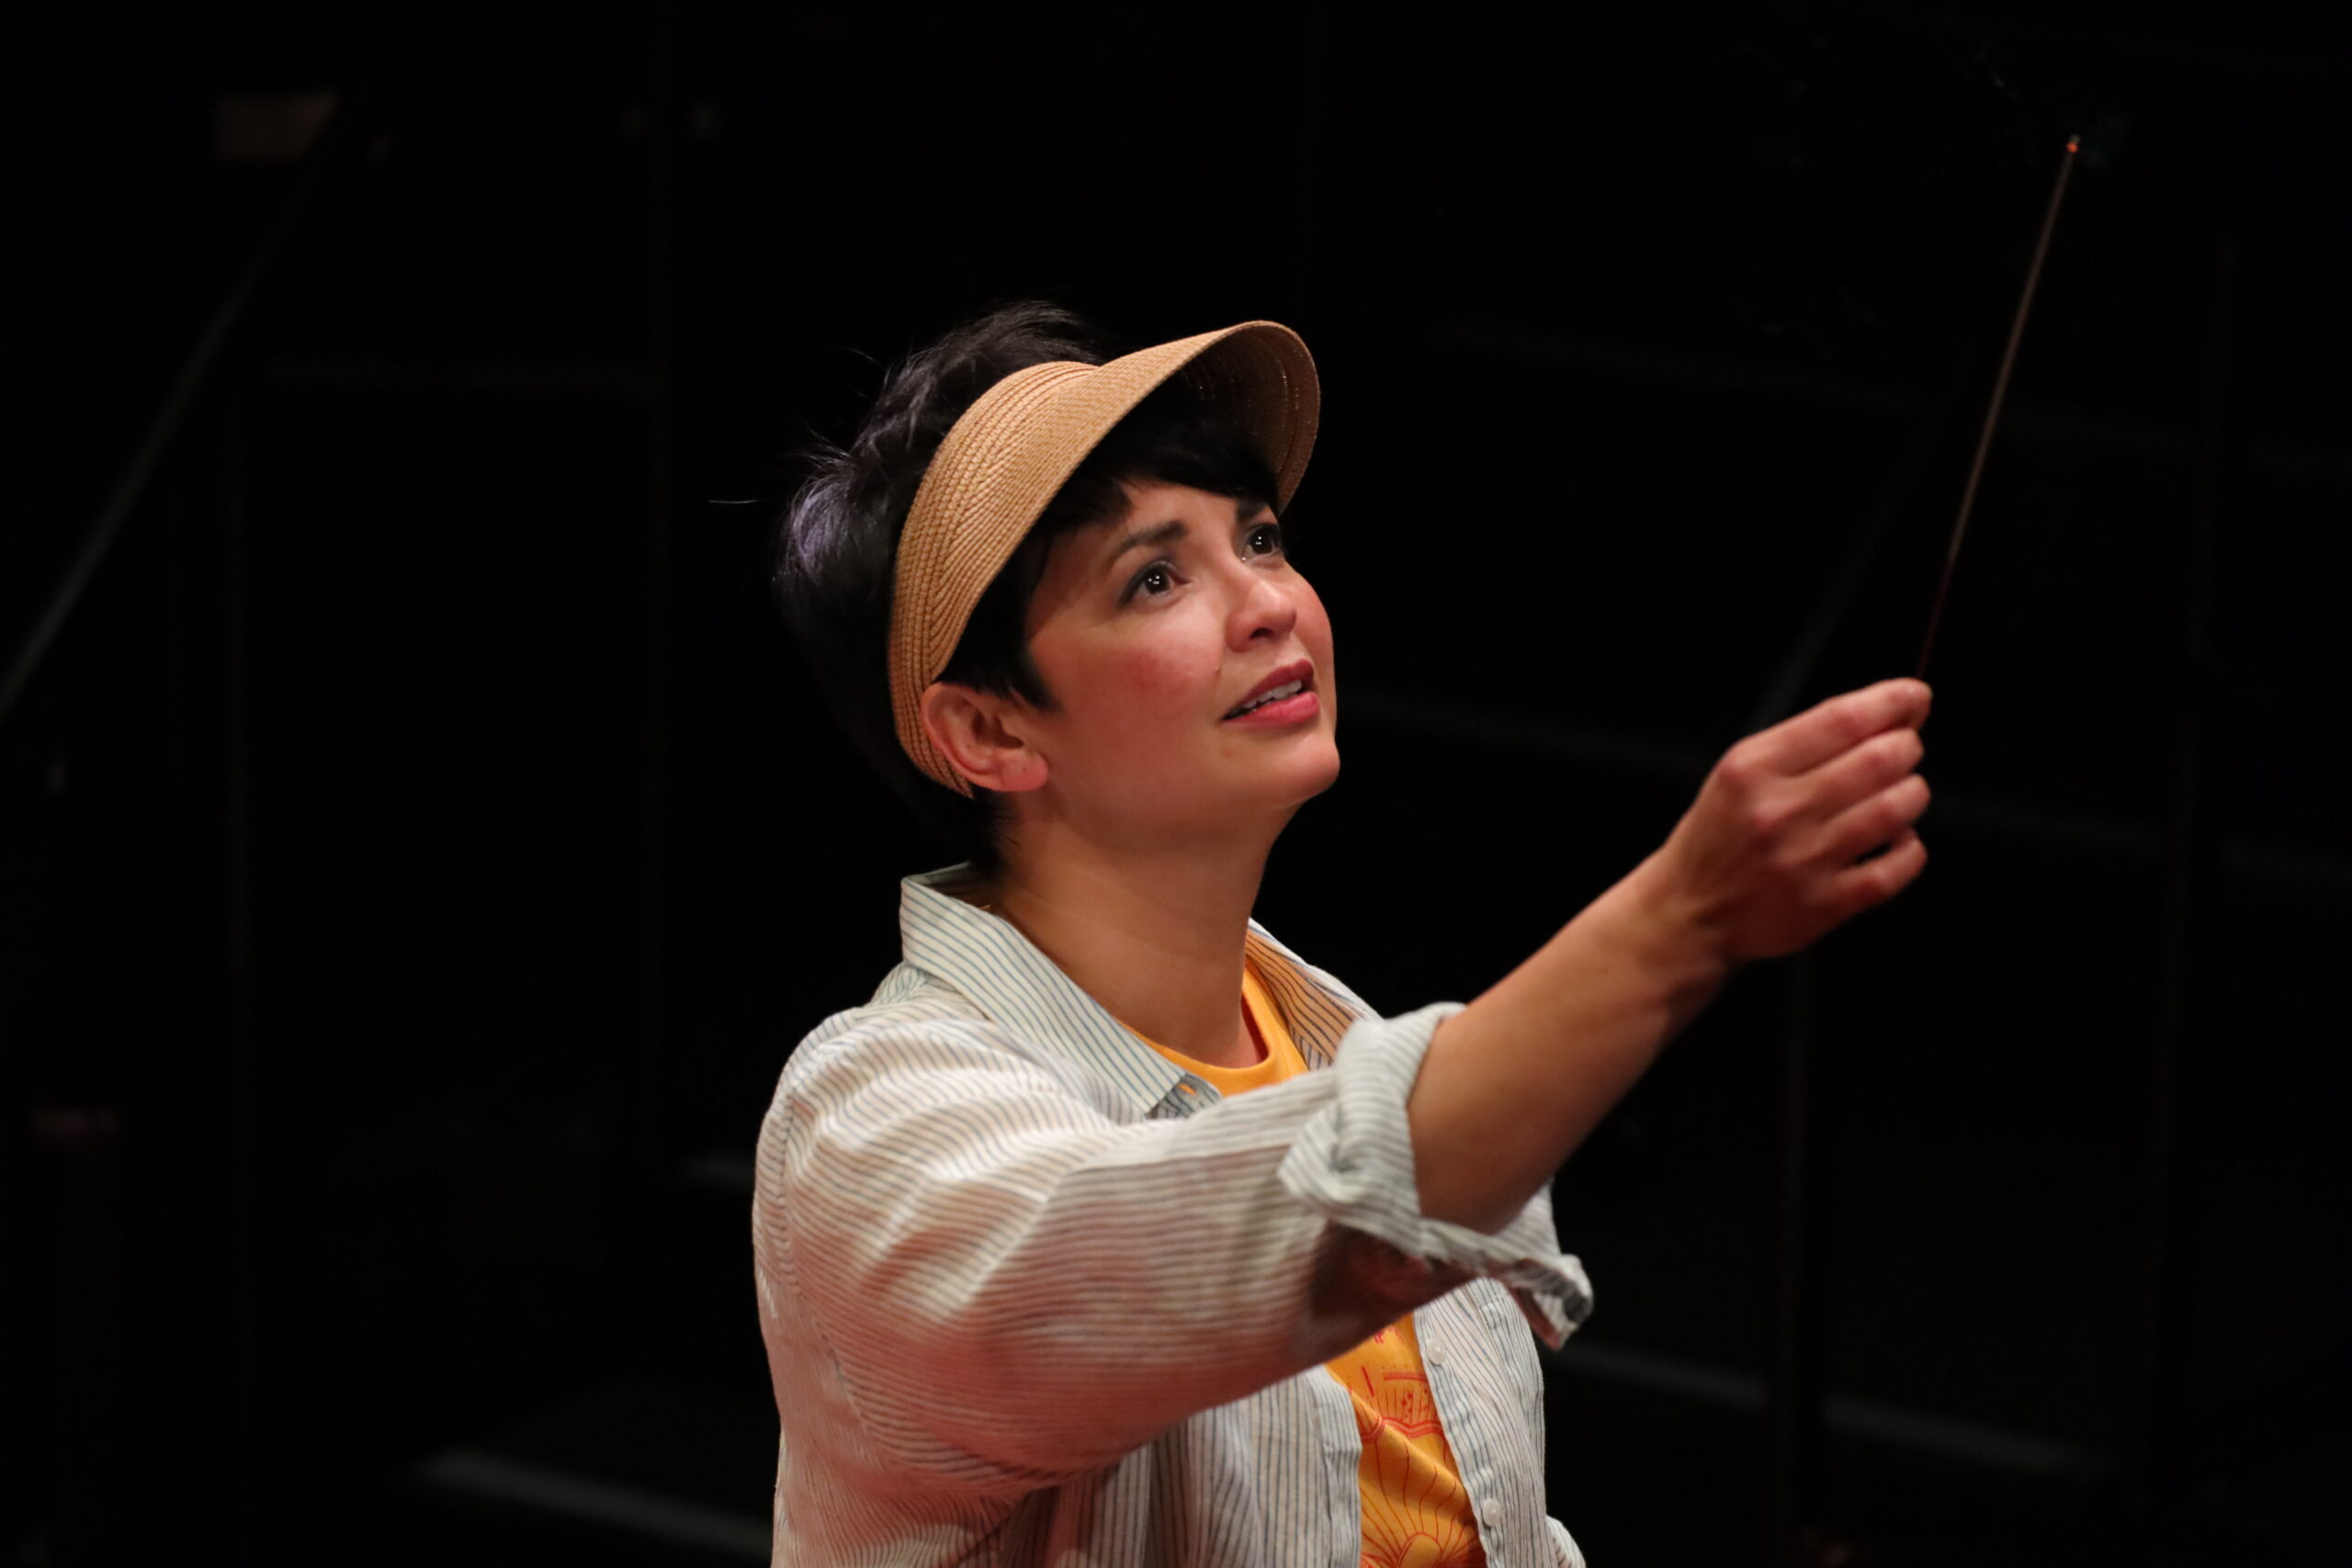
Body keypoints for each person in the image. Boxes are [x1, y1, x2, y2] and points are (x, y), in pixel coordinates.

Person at [754, 301, 1933, 1567]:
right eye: (1155, 578)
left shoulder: (1345, 1045)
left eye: (1260, 538)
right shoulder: (875, 1119)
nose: (1267, 602)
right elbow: (1262, 1239)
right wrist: (1681, 918)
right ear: (989, 733)